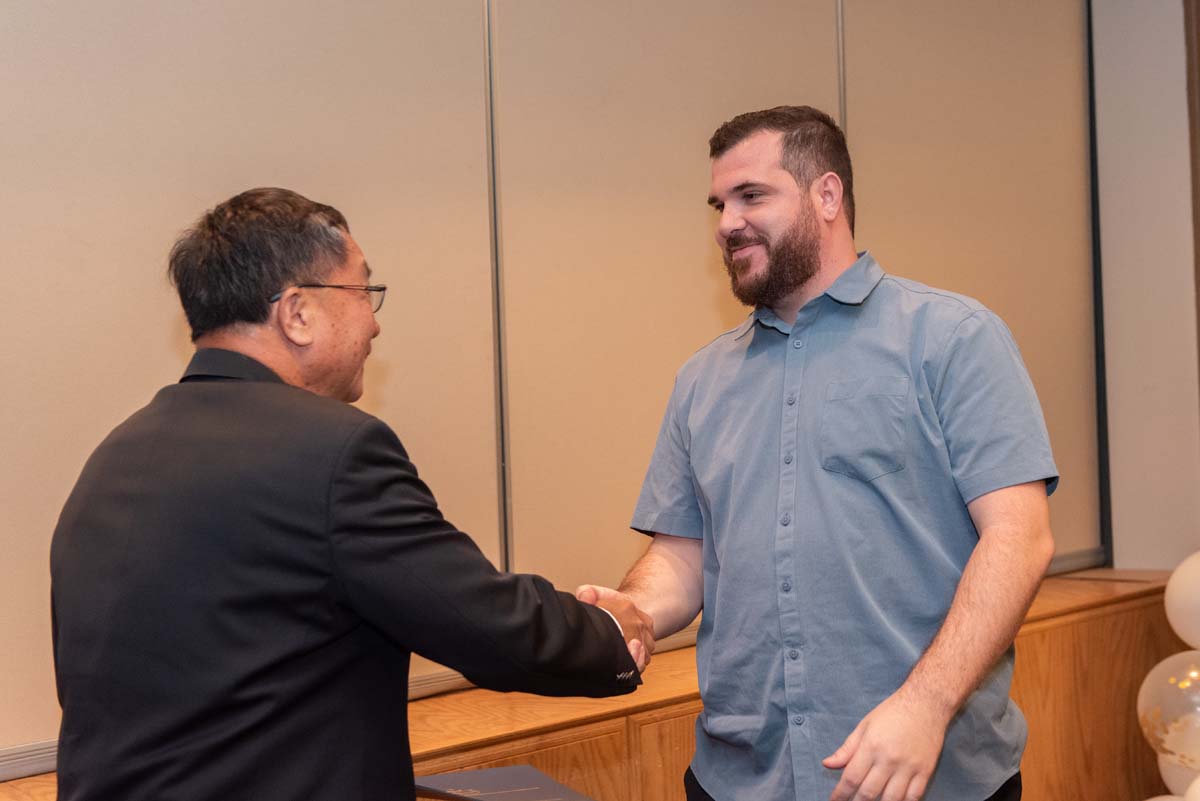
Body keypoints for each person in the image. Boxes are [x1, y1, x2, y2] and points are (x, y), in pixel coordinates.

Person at [50, 187, 654, 801]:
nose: (374, 320)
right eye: (363, 291)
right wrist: (611, 631)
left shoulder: (118, 453)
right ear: (297, 313)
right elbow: (484, 623)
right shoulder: (329, 451)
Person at [576, 106, 1057, 801]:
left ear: (826, 196)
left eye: (751, 196)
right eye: (718, 203)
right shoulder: (701, 381)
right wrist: (637, 609)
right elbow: (681, 556)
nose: (725, 222)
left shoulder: (954, 339)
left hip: (924, 778)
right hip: (739, 779)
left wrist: (925, 704)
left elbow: (1021, 540)